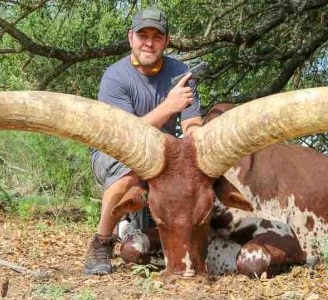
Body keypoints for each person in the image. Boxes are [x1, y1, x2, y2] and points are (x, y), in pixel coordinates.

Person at [83, 7, 203, 275]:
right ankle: (101, 242)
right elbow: (125, 136)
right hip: (114, 152)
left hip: (163, 153)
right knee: (129, 175)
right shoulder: (115, 77)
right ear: (131, 38)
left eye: (156, 36)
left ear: (166, 41)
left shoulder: (181, 72)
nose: (149, 43)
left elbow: (192, 124)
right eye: (142, 35)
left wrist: (196, 153)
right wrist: (169, 105)